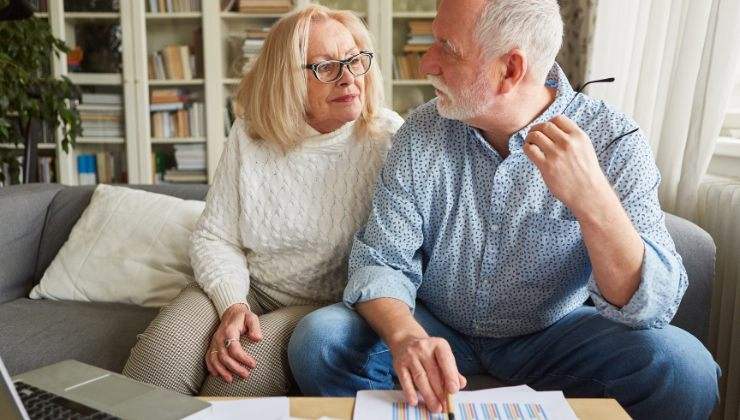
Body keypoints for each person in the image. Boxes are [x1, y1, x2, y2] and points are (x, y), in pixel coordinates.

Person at [287, 0, 720, 418]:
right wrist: (405, 337)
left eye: (447, 49)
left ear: (510, 69)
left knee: (685, 371)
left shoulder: (613, 140)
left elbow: (652, 305)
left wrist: (594, 202)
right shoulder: (421, 132)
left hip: (555, 335)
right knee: (320, 341)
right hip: (438, 326)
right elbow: (380, 261)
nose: (426, 64)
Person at [122, 4, 403, 397]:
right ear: (287, 80)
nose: (348, 78)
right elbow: (215, 237)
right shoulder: (251, 133)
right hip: (251, 287)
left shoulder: (389, 138)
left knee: (231, 380)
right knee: (157, 365)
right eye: (325, 67)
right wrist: (232, 305)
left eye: (355, 60)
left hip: (326, 307)